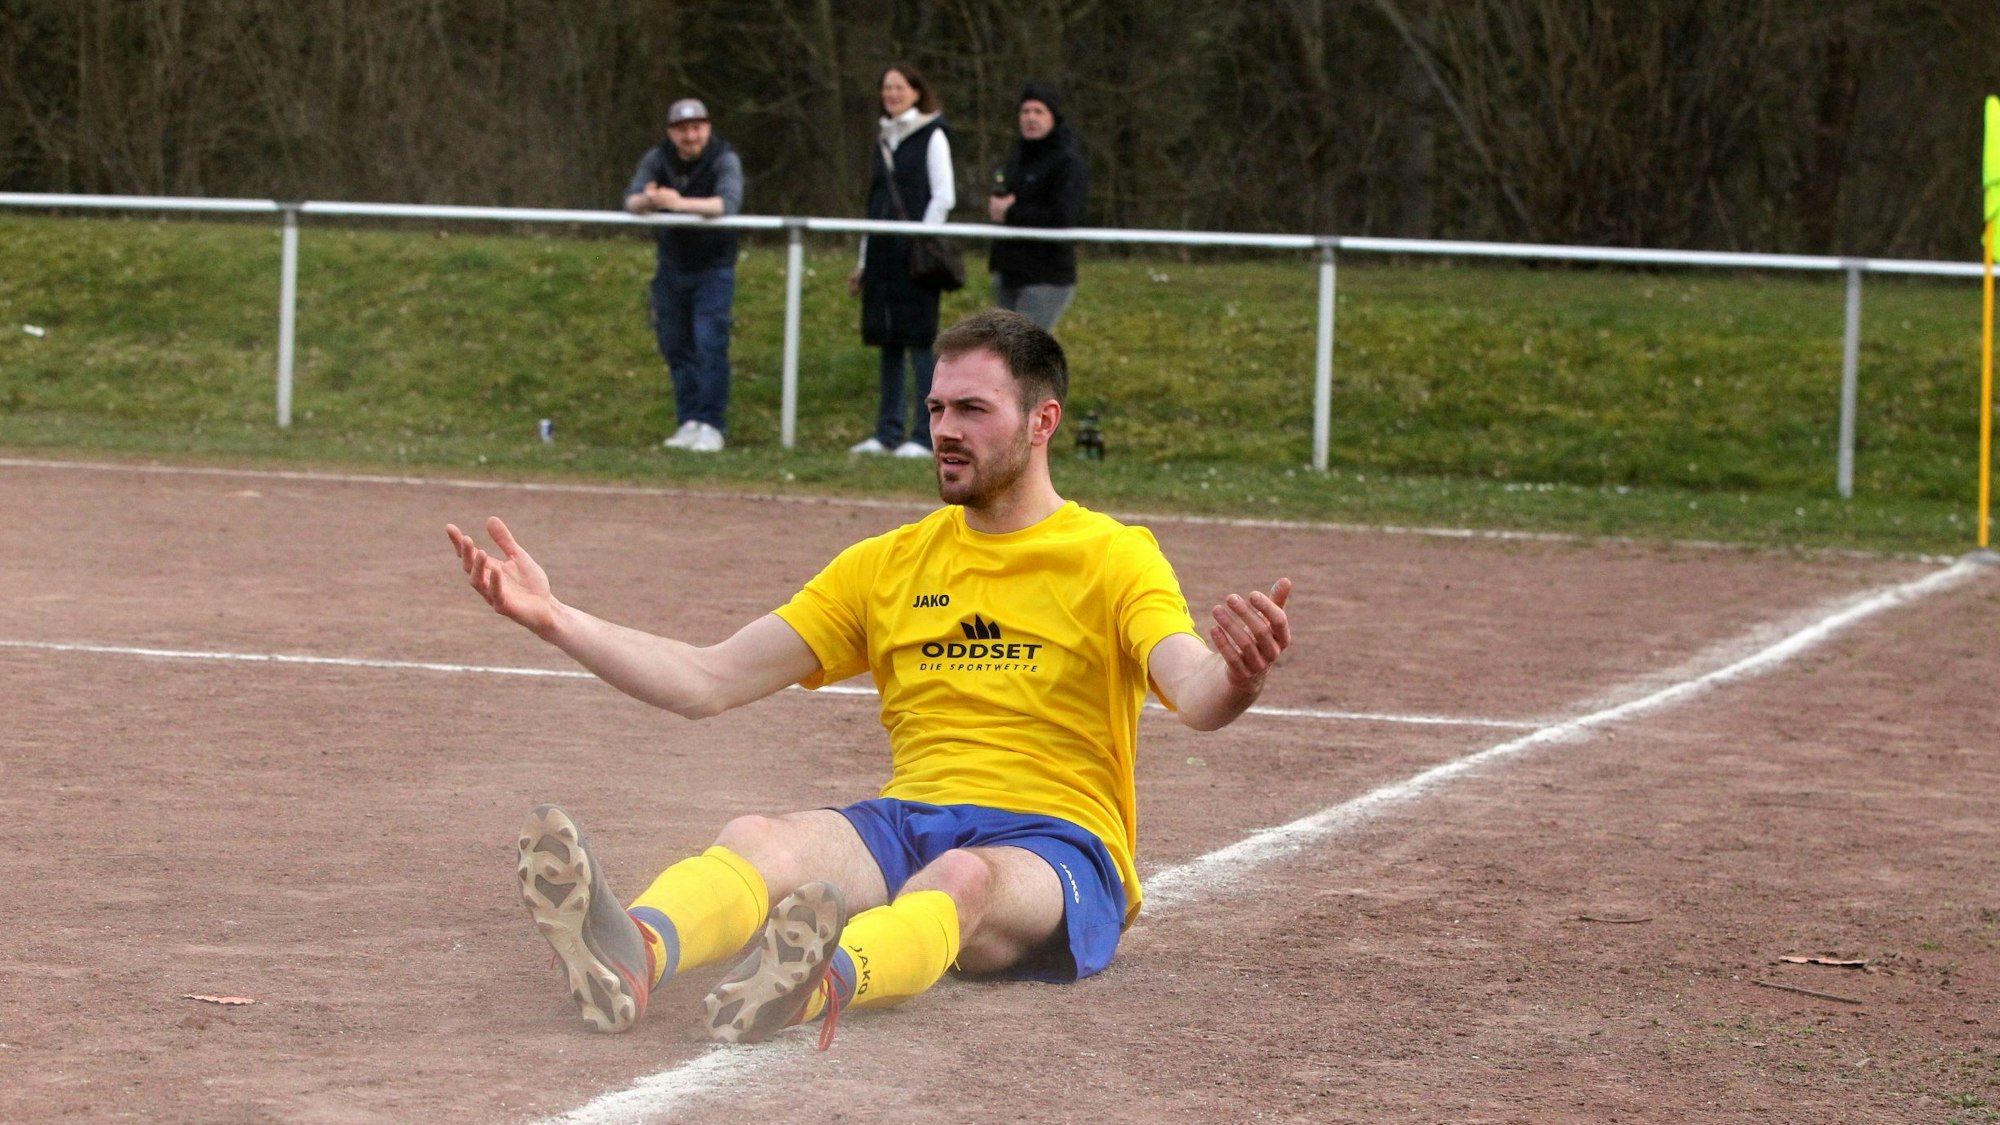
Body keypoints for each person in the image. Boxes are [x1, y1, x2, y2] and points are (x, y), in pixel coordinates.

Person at [446, 309, 1294, 1046]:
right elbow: (706, 677)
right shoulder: (885, 564)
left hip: (1056, 844)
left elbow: (1194, 687)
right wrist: (557, 619)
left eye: (973, 408)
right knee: (758, 836)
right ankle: (636, 950)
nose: (945, 428)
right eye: (935, 407)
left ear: (1043, 421)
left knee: (961, 880)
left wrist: (1239, 675)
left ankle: (817, 979)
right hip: (909, 817)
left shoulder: (1114, 556)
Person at [848, 63, 957, 459]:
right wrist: (863, 258)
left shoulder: (932, 134)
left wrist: (919, 241)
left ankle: (924, 434)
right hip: (880, 254)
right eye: (887, 88)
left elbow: (943, 195)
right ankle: (886, 432)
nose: (892, 94)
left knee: (920, 342)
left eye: (900, 87)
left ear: (916, 91)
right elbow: (873, 204)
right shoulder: (882, 138)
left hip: (913, 257)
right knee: (886, 341)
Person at [625, 97, 744, 454]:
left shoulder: (724, 157)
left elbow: (726, 204)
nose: (690, 136)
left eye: (696, 128)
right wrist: (650, 201)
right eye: (682, 129)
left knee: (710, 343)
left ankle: (711, 424)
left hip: (714, 268)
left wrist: (678, 203)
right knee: (675, 344)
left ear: (707, 128)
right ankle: (689, 420)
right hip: (671, 268)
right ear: (671, 132)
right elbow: (631, 200)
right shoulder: (658, 158)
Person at [987, 82, 1087, 332]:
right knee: (1006, 355)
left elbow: (1063, 216)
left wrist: (1011, 213)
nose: (1031, 117)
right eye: (1025, 111)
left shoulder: (1067, 162)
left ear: (1053, 117)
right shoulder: (1016, 158)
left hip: (1046, 276)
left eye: (1039, 111)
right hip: (1009, 272)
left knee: (1025, 353)